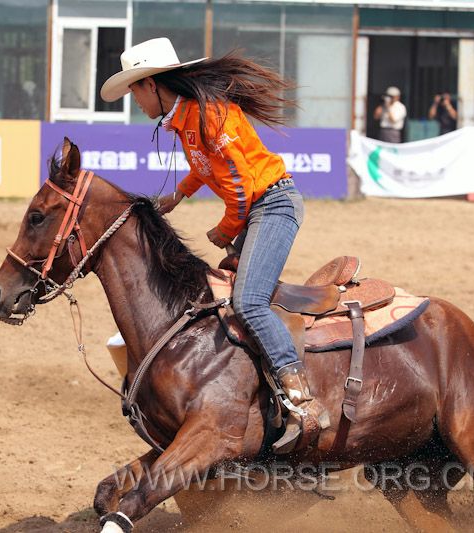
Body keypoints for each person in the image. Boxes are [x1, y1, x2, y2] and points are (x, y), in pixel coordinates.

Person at [100, 37, 326, 452]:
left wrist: (225, 229)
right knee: (220, 298)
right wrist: (182, 192)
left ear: (152, 84)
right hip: (258, 208)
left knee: (250, 301)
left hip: (272, 204)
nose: (134, 100)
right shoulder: (185, 118)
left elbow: (239, 184)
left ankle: (302, 401)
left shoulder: (210, 115)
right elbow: (208, 166)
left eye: (134, 90)